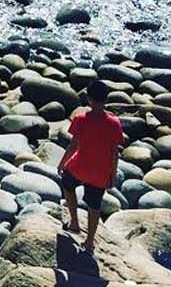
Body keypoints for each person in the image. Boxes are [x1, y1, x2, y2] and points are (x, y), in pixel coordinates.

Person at [57, 78, 123, 251]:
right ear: (106, 99)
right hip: (100, 173)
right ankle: (89, 241)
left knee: (67, 184)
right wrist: (112, 175)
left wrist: (62, 163)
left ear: (88, 99)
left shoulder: (80, 119)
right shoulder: (114, 123)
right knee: (94, 206)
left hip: (79, 167)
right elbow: (114, 153)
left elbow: (73, 145)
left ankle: (74, 223)